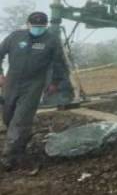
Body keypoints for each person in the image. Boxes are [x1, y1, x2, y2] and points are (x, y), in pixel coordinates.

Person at [0, 12, 68, 170]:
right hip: (11, 82)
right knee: (8, 116)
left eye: (41, 27)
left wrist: (55, 82)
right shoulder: (15, 37)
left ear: (46, 26)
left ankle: (9, 157)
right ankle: (19, 144)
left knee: (21, 118)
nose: (38, 29)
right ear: (28, 24)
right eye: (35, 26)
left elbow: (59, 63)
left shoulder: (51, 40)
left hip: (34, 84)